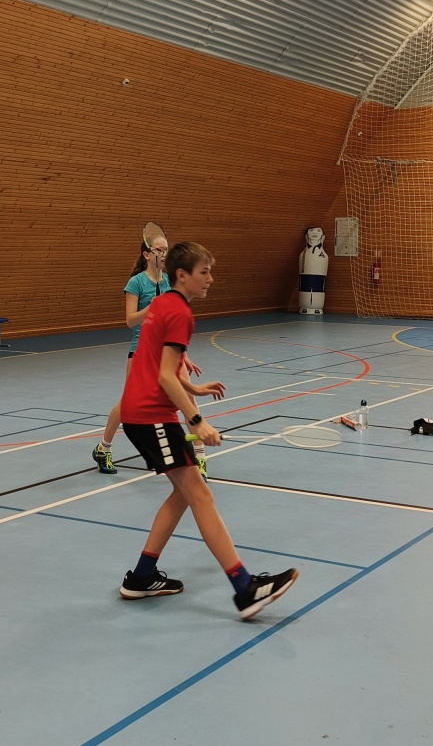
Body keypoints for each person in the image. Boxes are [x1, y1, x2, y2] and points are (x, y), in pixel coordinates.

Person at [117, 241, 299, 619]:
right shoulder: (179, 312)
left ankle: (143, 576)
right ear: (182, 275)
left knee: (184, 495)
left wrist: (194, 389)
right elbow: (165, 375)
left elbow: (162, 363)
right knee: (200, 495)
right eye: (204, 272)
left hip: (142, 411)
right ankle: (244, 588)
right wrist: (197, 422)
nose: (211, 279)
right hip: (151, 415)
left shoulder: (164, 303)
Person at [93, 232, 170, 474]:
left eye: (166, 250)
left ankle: (173, 451)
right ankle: (103, 448)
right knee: (129, 402)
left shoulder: (168, 281)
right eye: (159, 250)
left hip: (165, 350)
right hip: (140, 350)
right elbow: (130, 320)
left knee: (168, 400)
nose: (164, 254)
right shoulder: (136, 283)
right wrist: (152, 307)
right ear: (147, 254)